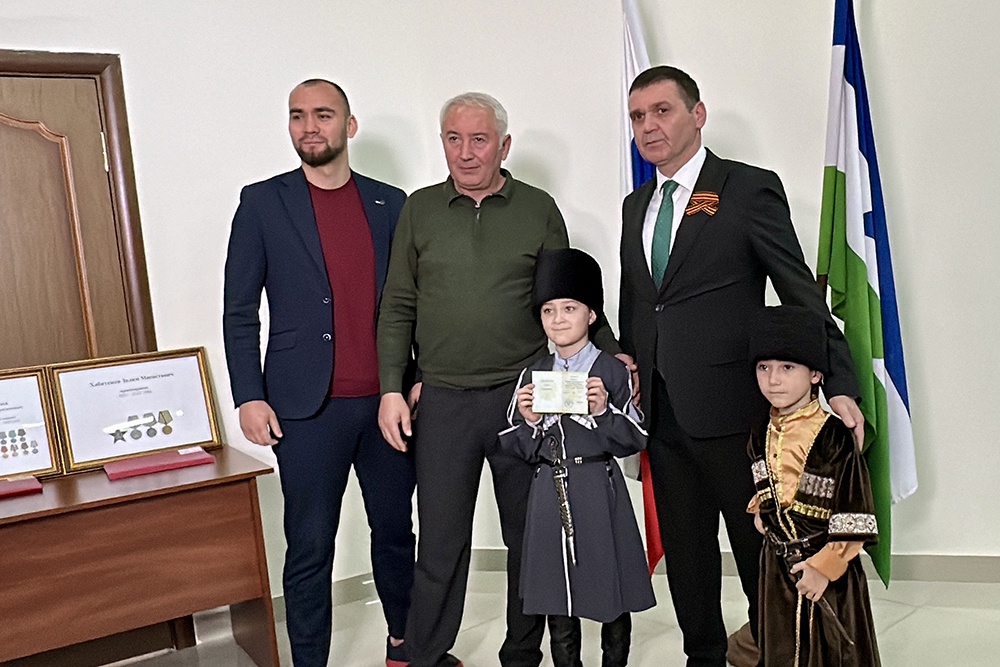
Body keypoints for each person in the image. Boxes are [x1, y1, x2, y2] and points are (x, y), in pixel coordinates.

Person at [618, 65, 864, 667]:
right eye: (638, 116)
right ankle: (702, 655)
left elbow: (798, 291)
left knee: (762, 554)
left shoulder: (747, 188)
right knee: (687, 556)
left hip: (737, 413)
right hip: (663, 412)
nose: (648, 126)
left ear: (697, 115)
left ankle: (775, 652)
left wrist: (840, 382)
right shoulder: (635, 204)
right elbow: (641, 302)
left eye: (662, 111)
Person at [376, 92, 632, 667]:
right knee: (440, 542)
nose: (466, 152)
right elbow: (397, 305)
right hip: (442, 400)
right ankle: (425, 655)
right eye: (454, 139)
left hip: (525, 399)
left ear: (504, 145)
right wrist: (393, 385)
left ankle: (521, 654)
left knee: (529, 537)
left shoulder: (537, 208)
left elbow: (570, 295)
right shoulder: (419, 209)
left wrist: (614, 355)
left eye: (479, 139)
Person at [223, 78, 415, 667]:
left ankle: (404, 646)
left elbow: (415, 301)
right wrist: (249, 395)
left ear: (349, 126)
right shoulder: (262, 203)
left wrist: (416, 379)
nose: (310, 126)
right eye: (298, 115)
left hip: (386, 404)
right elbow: (239, 310)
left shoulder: (391, 203)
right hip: (304, 409)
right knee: (309, 546)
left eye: (324, 115)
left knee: (395, 533)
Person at [499, 248, 655, 667]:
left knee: (610, 585)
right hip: (548, 491)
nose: (558, 319)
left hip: (598, 488)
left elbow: (636, 438)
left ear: (591, 314)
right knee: (556, 593)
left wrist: (603, 412)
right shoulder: (532, 375)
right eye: (548, 310)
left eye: (570, 308)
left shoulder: (613, 371)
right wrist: (531, 422)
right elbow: (516, 445)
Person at [747, 305, 881, 666]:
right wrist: (762, 509)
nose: (773, 379)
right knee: (782, 647)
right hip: (777, 570)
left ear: (816, 374)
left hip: (827, 570)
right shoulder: (760, 432)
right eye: (764, 368)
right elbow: (766, 482)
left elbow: (854, 514)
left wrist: (823, 569)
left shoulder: (835, 437)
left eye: (787, 368)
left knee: (829, 651)